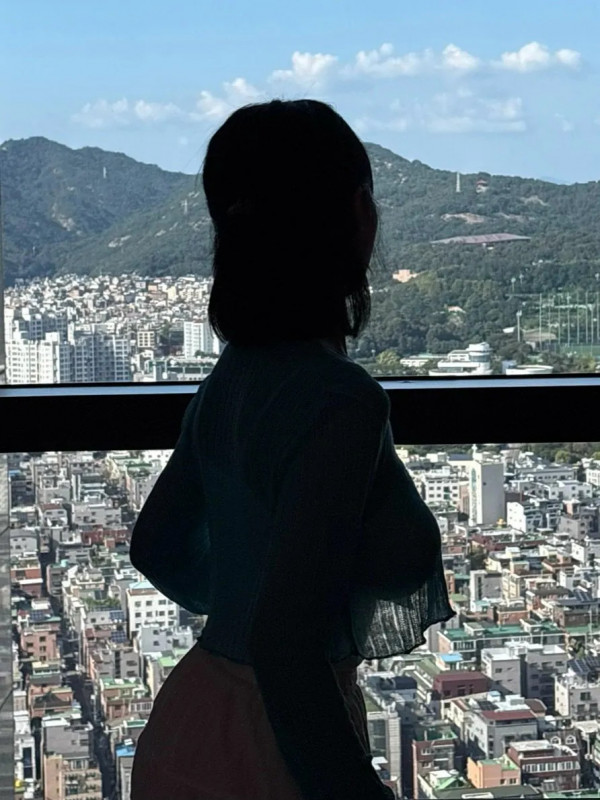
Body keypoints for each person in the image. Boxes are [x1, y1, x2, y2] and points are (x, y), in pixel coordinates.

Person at [130, 99, 454, 800]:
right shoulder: (343, 402)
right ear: (357, 215)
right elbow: (286, 650)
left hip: (192, 718)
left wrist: (244, 596)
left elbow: (156, 545)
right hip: (278, 744)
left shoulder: (233, 376)